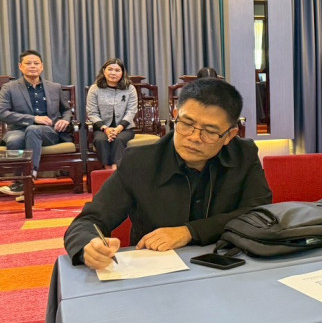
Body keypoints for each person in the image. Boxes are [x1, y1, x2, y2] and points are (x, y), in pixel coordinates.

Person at [64, 78, 272, 269]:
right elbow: (88, 221)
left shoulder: (243, 155)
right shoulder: (140, 162)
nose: (194, 137)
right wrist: (88, 246)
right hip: (158, 272)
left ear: (229, 135)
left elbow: (260, 214)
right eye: (187, 124)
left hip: (228, 266)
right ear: (175, 116)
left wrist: (190, 232)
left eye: (209, 131)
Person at [0, 50, 73, 198]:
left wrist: (65, 119)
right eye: (28, 63)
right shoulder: (9, 87)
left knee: (33, 130)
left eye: (36, 63)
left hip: (48, 132)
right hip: (18, 130)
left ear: (42, 66)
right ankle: (23, 183)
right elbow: (3, 113)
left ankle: (26, 180)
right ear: (20, 66)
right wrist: (33, 119)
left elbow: (66, 110)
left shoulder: (54, 87)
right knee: (14, 140)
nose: (32, 66)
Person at [85, 58, 138, 170]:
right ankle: (108, 170)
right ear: (104, 71)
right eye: (110, 69)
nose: (113, 73)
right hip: (102, 128)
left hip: (125, 128)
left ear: (122, 73)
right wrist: (105, 129)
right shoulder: (95, 89)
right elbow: (92, 112)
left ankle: (115, 171)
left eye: (117, 70)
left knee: (119, 140)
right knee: (100, 140)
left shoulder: (130, 89)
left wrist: (118, 129)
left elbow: (131, 111)